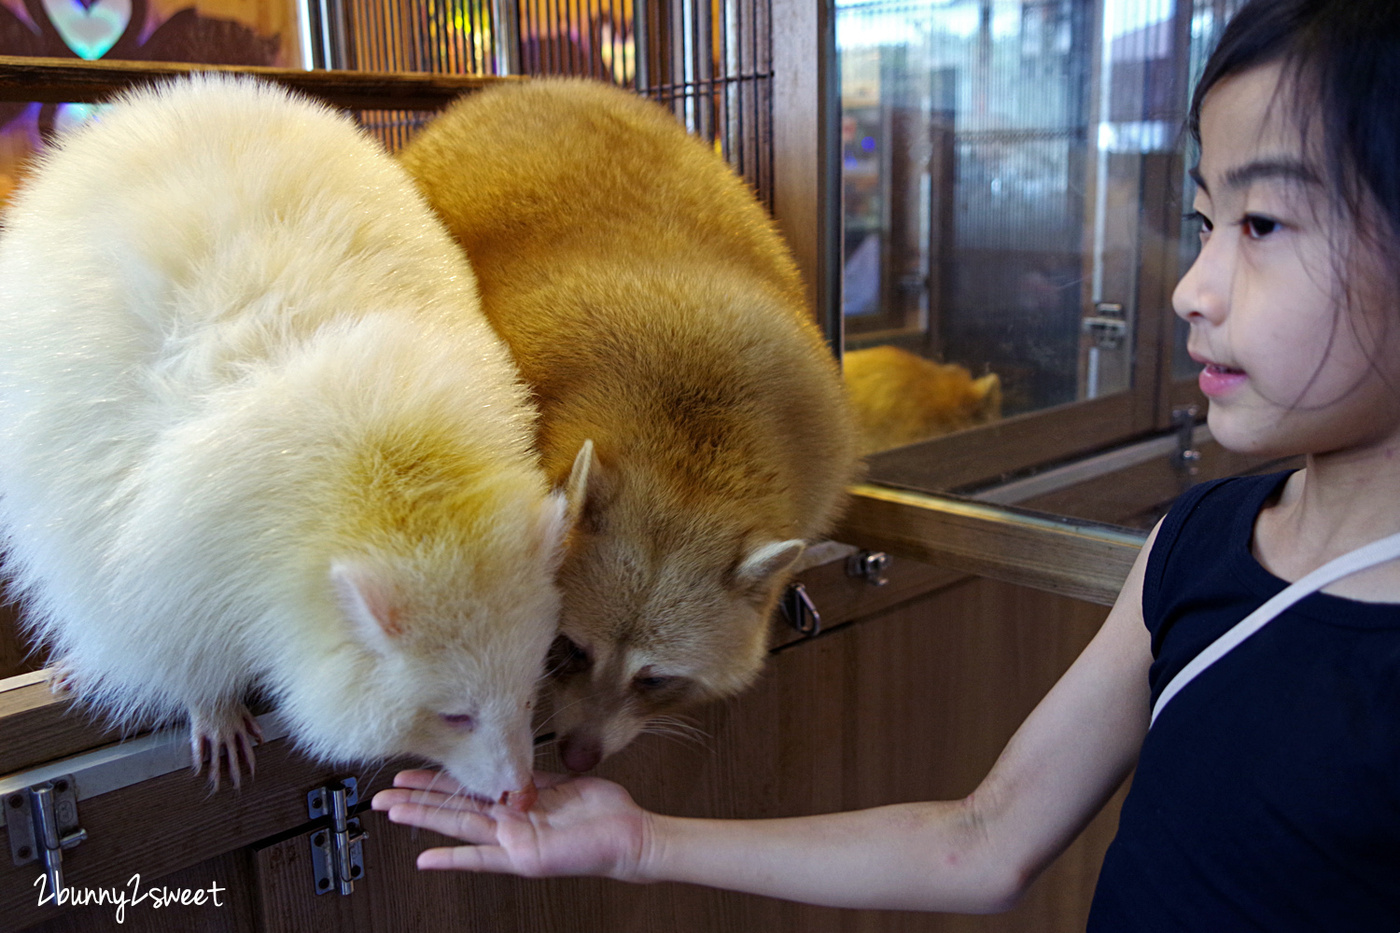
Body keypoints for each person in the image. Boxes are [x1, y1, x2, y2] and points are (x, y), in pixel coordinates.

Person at [371, 0, 1400, 926]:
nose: (1189, 288)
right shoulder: (1193, 547)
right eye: (1201, 221)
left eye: (1261, 223)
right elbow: (985, 839)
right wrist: (641, 845)